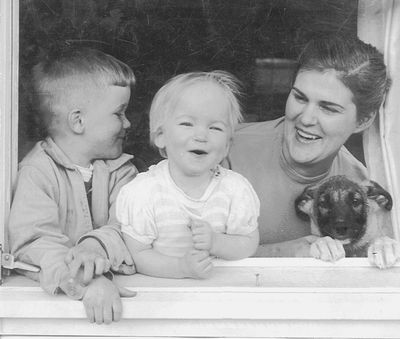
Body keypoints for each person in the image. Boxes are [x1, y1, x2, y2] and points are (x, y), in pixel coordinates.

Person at [225, 35, 400, 268]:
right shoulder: (226, 152)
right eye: (299, 97)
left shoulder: (360, 186)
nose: (306, 119)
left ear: (363, 120)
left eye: (328, 108)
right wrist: (282, 253)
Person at [8, 48, 137, 324]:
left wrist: (94, 247)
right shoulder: (37, 172)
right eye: (120, 113)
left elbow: (130, 229)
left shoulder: (123, 172)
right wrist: (84, 279)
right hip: (53, 313)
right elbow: (34, 241)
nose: (128, 123)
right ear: (78, 121)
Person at [116, 71, 260, 279]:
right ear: (161, 136)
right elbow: (137, 253)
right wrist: (181, 268)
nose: (201, 135)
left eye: (215, 127)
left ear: (227, 145)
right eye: (187, 124)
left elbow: (249, 243)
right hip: (163, 299)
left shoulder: (235, 190)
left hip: (224, 294)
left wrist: (216, 242)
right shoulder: (144, 192)